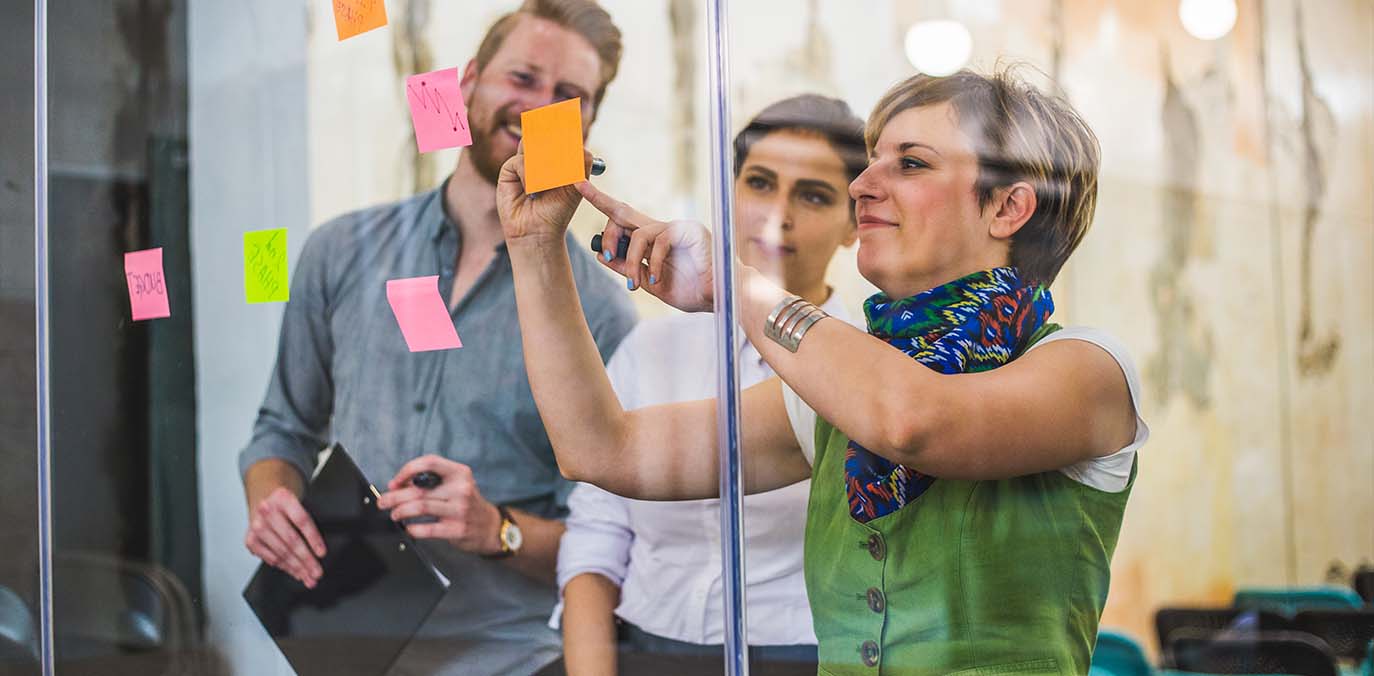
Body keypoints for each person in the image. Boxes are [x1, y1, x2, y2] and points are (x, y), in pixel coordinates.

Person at [496, 68, 1149, 675]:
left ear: (1007, 208)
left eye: (911, 164)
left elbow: (913, 421)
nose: (863, 186)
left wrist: (735, 284)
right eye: (871, 165)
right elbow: (601, 449)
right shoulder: (835, 391)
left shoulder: (1089, 369)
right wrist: (535, 248)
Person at [237, 2, 636, 674]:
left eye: (568, 97)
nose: (539, 109)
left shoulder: (601, 312)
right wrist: (271, 499)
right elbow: (282, 427)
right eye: (523, 78)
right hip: (342, 647)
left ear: (587, 124)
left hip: (510, 660)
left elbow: (612, 542)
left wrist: (499, 529)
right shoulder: (340, 251)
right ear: (471, 80)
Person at [555, 94, 866, 674]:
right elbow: (596, 534)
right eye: (760, 183)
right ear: (730, 191)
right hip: (643, 647)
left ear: (854, 225)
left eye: (814, 195)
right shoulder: (652, 350)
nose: (779, 214)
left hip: (810, 657)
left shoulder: (867, 365)